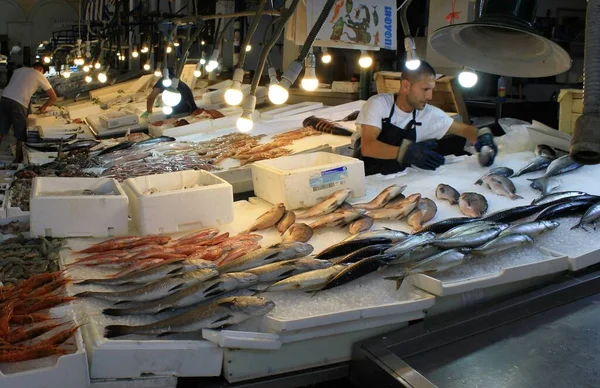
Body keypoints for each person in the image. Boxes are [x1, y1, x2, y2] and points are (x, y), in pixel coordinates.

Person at [352, 61, 497, 176]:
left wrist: (483, 136)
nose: (430, 96)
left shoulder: (429, 114)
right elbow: (368, 147)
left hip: (397, 182)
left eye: (432, 90)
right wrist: (405, 152)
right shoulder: (379, 104)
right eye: (425, 89)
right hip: (366, 181)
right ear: (406, 85)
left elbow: (465, 130)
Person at [0, 62, 57, 163]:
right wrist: (44, 107)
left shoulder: (19, 70)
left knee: (1, 129)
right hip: (19, 102)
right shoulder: (38, 74)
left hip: (5, 98)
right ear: (41, 70)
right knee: (21, 133)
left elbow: (20, 87)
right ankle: (18, 160)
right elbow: (53, 97)